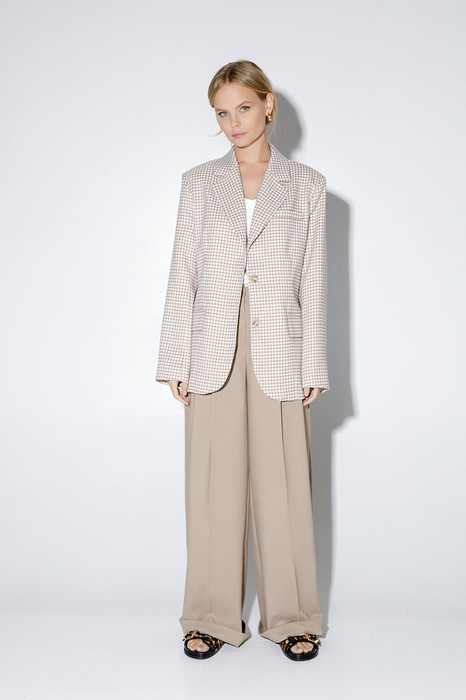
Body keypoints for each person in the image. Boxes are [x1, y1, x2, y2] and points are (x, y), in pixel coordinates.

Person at [155, 59, 329, 662]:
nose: (234, 122)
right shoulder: (199, 182)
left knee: (286, 489)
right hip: (211, 347)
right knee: (212, 487)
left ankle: (294, 617)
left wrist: (315, 365)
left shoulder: (306, 184)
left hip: (282, 347)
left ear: (268, 103)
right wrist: (174, 358)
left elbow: (314, 280)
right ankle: (208, 616)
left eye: (244, 108)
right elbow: (183, 272)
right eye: (222, 113)